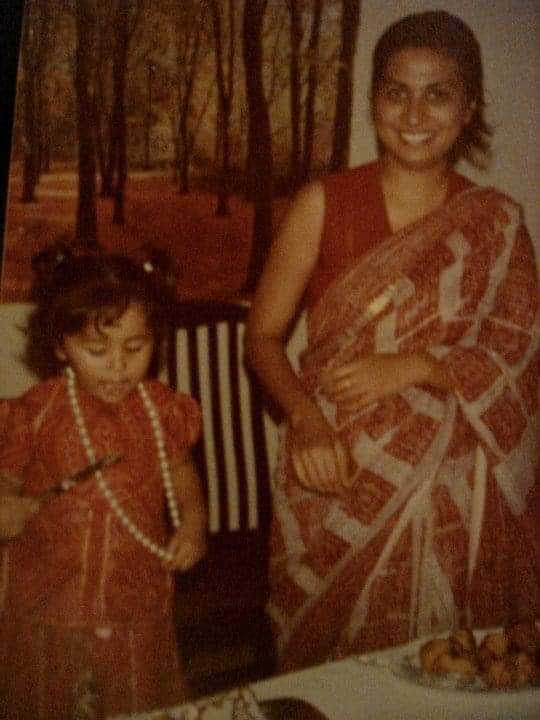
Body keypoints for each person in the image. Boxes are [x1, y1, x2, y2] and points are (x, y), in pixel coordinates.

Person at [245, 10, 540, 672]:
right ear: (374, 100)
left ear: (467, 108)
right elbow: (262, 337)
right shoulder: (323, 203)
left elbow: (518, 360)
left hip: (458, 481)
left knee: (447, 672)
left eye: (438, 92)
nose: (414, 112)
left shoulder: (497, 223)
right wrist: (307, 420)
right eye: (395, 90)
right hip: (338, 460)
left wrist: (419, 366)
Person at [0, 245, 207, 718]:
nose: (118, 365)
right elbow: (6, 480)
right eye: (97, 350)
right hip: (50, 597)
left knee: (133, 697)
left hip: (133, 595)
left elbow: (181, 473)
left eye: (135, 348)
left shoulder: (161, 410)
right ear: (59, 346)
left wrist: (194, 523)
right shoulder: (36, 413)